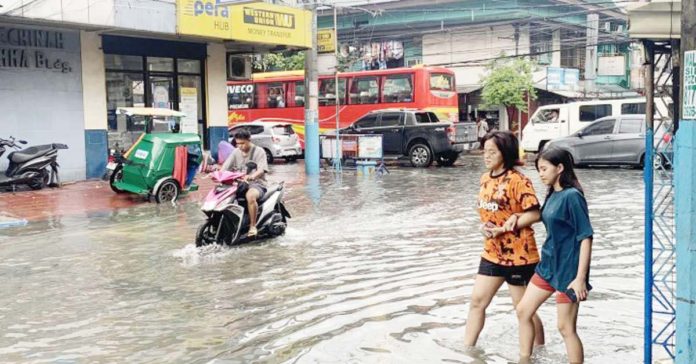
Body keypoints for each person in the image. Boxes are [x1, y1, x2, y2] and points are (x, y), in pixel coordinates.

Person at [464, 131, 545, 348]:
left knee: (523, 310)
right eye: (485, 151)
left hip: (519, 255)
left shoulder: (519, 181)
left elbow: (536, 214)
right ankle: (467, 351)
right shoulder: (485, 178)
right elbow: (489, 210)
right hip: (491, 252)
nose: (486, 156)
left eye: (492, 152)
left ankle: (539, 350)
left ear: (505, 154)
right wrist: (485, 226)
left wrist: (511, 224)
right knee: (477, 302)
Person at [516, 148, 593, 363]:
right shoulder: (553, 194)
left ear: (559, 168)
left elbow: (586, 237)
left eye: (543, 169)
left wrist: (580, 279)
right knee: (523, 310)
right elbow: (541, 217)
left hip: (569, 271)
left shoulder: (572, 196)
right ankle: (525, 359)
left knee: (565, 328)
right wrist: (510, 222)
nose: (540, 174)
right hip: (548, 267)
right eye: (538, 169)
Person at [221, 129, 269, 237]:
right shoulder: (236, 152)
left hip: (257, 183)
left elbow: (261, 170)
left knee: (250, 196)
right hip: (239, 184)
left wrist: (252, 176)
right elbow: (224, 168)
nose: (240, 146)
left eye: (242, 143)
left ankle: (253, 226)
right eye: (238, 143)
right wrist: (217, 175)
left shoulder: (259, 151)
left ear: (249, 140)